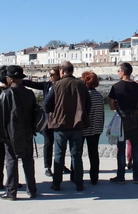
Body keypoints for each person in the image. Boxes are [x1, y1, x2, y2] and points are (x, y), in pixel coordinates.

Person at [0, 65, 37, 200]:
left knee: (11, 161)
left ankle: (11, 191)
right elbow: (35, 114)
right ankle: (32, 190)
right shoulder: (30, 93)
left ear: (10, 79)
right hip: (27, 132)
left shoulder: (5, 95)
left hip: (10, 134)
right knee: (28, 161)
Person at [43, 61, 90, 192]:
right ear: (72, 71)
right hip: (77, 124)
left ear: (62, 72)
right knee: (76, 155)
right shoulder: (81, 84)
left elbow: (46, 105)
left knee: (59, 155)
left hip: (60, 125)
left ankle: (56, 183)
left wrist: (55, 112)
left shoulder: (56, 85)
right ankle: (79, 183)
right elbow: (88, 104)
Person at [22, 66, 70, 177]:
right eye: (50, 74)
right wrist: (19, 80)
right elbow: (32, 84)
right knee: (48, 143)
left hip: (60, 119)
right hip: (48, 120)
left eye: (52, 74)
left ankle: (60, 165)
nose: (50, 76)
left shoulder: (63, 86)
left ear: (59, 75)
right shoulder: (47, 85)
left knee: (60, 144)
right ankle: (47, 167)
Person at [108, 62, 138, 184]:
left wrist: (117, 106)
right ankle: (136, 176)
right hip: (134, 118)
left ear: (123, 72)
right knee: (136, 148)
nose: (118, 73)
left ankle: (121, 176)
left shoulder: (116, 86)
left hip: (121, 119)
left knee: (121, 148)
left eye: (118, 70)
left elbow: (112, 105)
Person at [0, 65, 20, 190]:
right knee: (12, 157)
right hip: (13, 128)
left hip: (0, 128)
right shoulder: (15, 91)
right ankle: (13, 180)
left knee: (0, 156)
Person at [81, 71, 105, 185]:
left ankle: (76, 175)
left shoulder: (83, 95)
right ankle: (94, 177)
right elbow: (102, 113)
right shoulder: (99, 96)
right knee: (93, 153)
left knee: (77, 152)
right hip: (96, 127)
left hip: (83, 127)